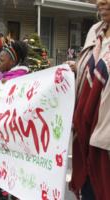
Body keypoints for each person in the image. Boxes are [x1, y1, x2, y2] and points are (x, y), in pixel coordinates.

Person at [66, 0, 110, 199]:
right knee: (90, 191)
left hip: (105, 134)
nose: (102, 1)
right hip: (86, 131)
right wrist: (77, 70)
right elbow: (91, 72)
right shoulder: (95, 30)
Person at [0, 41, 29, 200]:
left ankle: (14, 192)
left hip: (15, 130)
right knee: (2, 160)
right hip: (2, 129)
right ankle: (3, 189)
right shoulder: (2, 76)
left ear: (13, 62)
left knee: (14, 161)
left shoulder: (20, 77)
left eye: (1, 61)